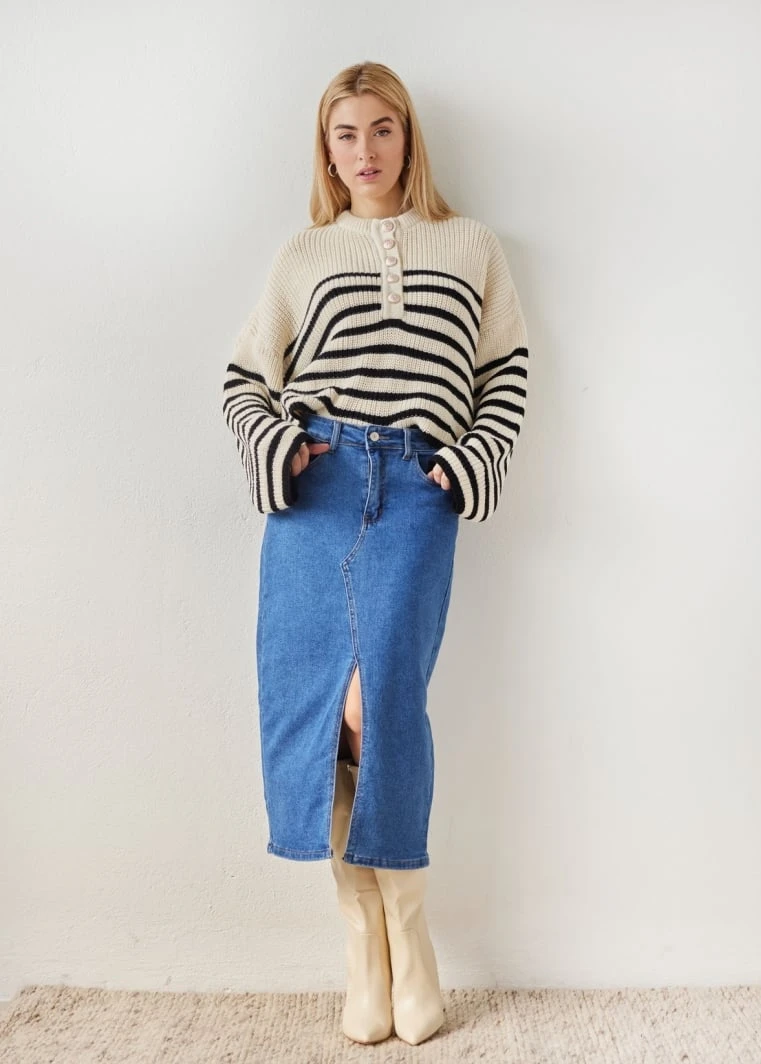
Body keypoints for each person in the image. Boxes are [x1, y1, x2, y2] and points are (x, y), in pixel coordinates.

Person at [222, 60, 529, 1047]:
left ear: (408, 137)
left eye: (382, 129)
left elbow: (504, 369)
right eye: (345, 133)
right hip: (315, 485)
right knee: (320, 708)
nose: (365, 150)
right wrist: (279, 446)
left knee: (379, 698)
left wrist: (468, 462)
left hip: (415, 486)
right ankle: (363, 941)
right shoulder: (304, 253)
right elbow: (243, 379)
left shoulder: (470, 245)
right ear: (326, 150)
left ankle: (408, 926)